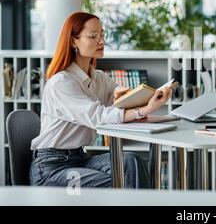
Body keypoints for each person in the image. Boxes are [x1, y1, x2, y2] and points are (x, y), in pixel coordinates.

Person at [30, 11, 172, 188]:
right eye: (93, 36)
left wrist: (129, 95)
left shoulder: (98, 77)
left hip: (79, 158)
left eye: (102, 34)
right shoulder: (61, 83)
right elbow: (98, 116)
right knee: (121, 181)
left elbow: (117, 95)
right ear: (73, 40)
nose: (101, 41)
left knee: (131, 162)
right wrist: (142, 110)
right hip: (51, 168)